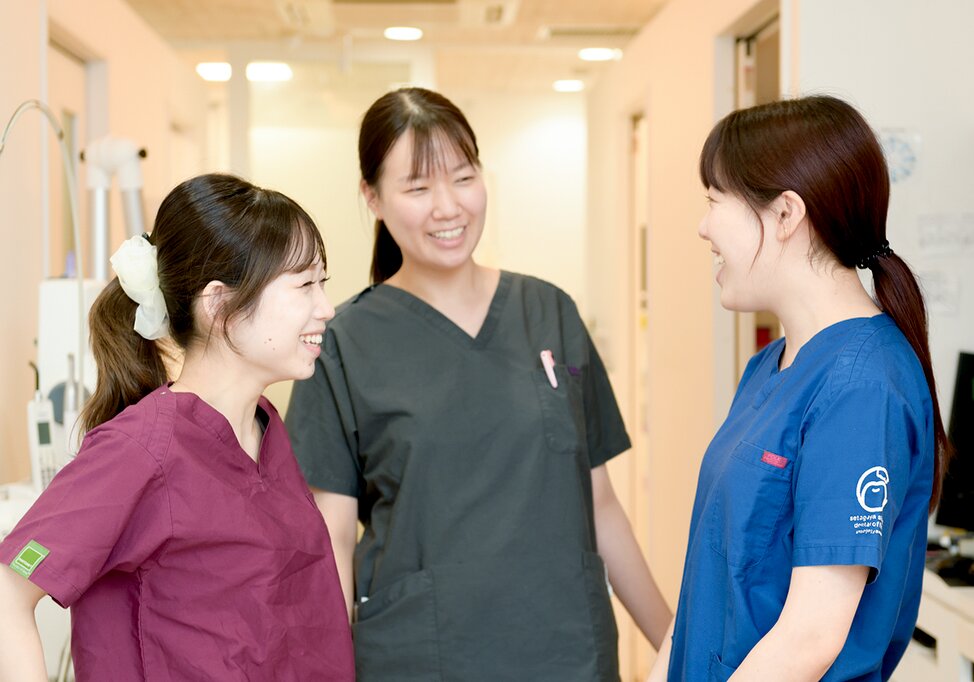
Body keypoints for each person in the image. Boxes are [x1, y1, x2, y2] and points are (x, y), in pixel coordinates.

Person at [285, 87, 671, 680]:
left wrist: (676, 640)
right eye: (417, 188)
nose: (448, 207)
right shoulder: (343, 342)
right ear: (373, 198)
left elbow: (600, 503)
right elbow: (331, 536)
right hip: (423, 658)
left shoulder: (549, 313)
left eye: (463, 177)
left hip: (567, 650)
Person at [0, 174, 355, 681]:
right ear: (219, 305)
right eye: (304, 286)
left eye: (323, 283)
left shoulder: (263, 430)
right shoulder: (142, 450)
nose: (327, 307)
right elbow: (8, 591)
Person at [649, 96, 951, 681]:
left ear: (786, 214)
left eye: (716, 201)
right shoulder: (770, 366)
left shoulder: (864, 385)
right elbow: (708, 577)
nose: (703, 226)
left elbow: (810, 637)